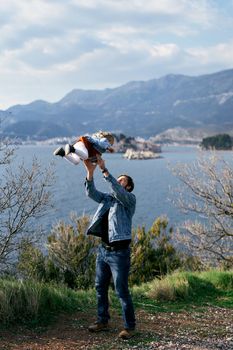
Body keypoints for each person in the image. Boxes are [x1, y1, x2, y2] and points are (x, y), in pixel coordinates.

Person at [84, 156, 136, 339]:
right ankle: (102, 321)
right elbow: (91, 193)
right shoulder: (107, 199)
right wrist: (90, 172)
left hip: (120, 254)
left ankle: (129, 327)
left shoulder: (129, 200)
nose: (118, 181)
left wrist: (104, 170)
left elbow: (116, 189)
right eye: (118, 178)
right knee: (100, 287)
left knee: (121, 290)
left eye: (122, 180)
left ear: (128, 187)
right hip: (103, 251)